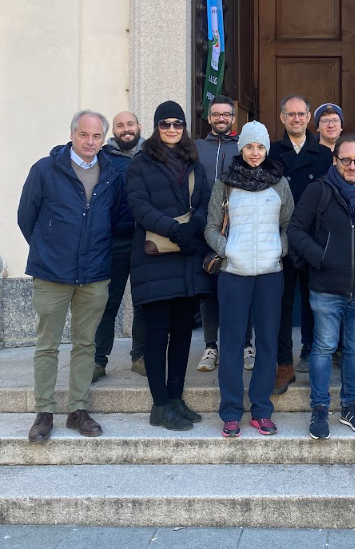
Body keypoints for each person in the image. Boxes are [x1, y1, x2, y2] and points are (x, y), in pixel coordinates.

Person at [17, 110, 124, 442]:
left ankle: (78, 409)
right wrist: (48, 250)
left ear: (103, 139)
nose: (90, 142)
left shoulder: (112, 173)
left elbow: (117, 219)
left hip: (94, 275)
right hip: (52, 274)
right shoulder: (46, 170)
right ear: (72, 134)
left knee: (85, 343)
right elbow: (26, 217)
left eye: (96, 137)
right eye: (83, 135)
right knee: (47, 345)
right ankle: (44, 412)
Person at [288, 134, 355, 439]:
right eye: (345, 159)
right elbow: (295, 230)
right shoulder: (318, 191)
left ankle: (350, 406)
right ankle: (319, 408)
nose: (352, 165)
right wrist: (319, 258)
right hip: (326, 288)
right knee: (322, 349)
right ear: (335, 161)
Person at [204, 120, 294, 438]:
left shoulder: (279, 183)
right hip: (234, 274)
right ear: (240, 148)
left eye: (260, 147)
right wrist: (227, 250)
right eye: (249, 146)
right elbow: (211, 226)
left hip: (270, 273)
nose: (254, 153)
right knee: (231, 344)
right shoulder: (225, 184)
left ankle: (261, 409)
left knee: (267, 343)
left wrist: (279, 249)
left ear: (266, 149)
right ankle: (230, 411)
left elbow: (288, 223)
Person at [125, 101, 210, 430]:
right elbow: (139, 207)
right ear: (156, 127)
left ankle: (176, 398)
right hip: (155, 260)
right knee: (158, 336)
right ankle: (159, 405)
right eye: (165, 124)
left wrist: (194, 228)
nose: (172, 129)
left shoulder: (194, 164)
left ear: (184, 127)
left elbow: (204, 202)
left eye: (178, 124)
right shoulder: (140, 165)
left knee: (184, 335)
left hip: (187, 260)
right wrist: (177, 230)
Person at [269, 95, 332, 389]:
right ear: (282, 118)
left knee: (316, 301)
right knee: (282, 304)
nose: (296, 119)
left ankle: (313, 351)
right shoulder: (270, 153)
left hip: (313, 238)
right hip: (279, 238)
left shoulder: (323, 155)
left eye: (301, 114)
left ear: (309, 118)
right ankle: (284, 362)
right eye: (290, 114)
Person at [193, 95, 255, 374]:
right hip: (205, 228)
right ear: (209, 118)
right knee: (209, 290)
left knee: (244, 287)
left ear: (233, 118)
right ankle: (210, 346)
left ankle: (246, 344)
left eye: (226, 115)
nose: (221, 119)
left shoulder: (244, 148)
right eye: (216, 114)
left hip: (240, 228)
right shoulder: (195, 148)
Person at [93, 111, 147, 382]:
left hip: (144, 240)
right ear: (113, 131)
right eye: (120, 126)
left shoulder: (151, 154)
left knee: (143, 302)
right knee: (108, 302)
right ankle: (97, 360)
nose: (126, 129)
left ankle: (140, 357)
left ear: (139, 126)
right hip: (113, 242)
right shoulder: (103, 159)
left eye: (130, 124)